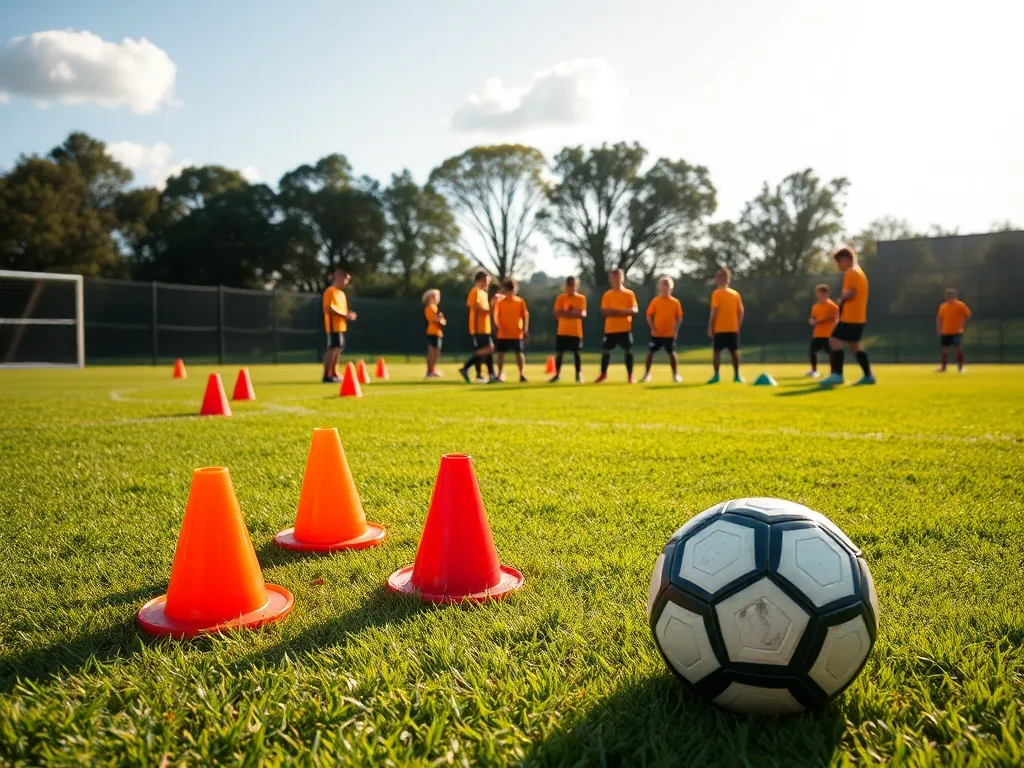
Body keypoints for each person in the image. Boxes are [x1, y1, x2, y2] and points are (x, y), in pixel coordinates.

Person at [822, 246, 874, 386]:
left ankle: (837, 375)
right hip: (859, 317)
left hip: (851, 316)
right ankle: (869, 376)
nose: (837, 266)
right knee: (854, 346)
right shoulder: (860, 272)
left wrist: (842, 299)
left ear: (845, 260)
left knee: (834, 340)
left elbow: (851, 292)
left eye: (838, 262)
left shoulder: (851, 272)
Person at [596, 268, 639, 383]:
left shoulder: (629, 294)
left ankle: (630, 376)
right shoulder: (607, 295)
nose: (616, 279)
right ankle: (603, 374)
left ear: (622, 278)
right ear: (610, 279)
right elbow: (605, 312)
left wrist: (615, 312)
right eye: (613, 277)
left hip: (625, 329)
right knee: (605, 351)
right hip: (610, 329)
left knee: (628, 351)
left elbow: (634, 310)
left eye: (618, 277)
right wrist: (623, 311)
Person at [641, 276, 684, 383]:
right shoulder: (655, 301)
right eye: (662, 285)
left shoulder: (675, 302)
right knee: (650, 353)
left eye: (667, 285)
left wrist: (675, 331)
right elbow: (649, 315)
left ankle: (675, 375)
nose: (665, 288)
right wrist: (653, 328)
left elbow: (679, 317)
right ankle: (647, 375)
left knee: (672, 353)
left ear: (671, 287)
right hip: (656, 334)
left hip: (669, 334)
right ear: (659, 287)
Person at [458, 271, 497, 383]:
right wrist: (491, 309)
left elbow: (488, 310)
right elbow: (476, 307)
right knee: (489, 349)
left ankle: (489, 375)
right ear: (480, 280)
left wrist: (493, 304)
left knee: (486, 351)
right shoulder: (475, 291)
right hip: (478, 327)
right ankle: (466, 367)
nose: (488, 284)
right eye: (487, 281)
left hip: (485, 327)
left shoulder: (484, 294)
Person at [707, 268, 744, 383]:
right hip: (733, 328)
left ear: (719, 279)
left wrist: (710, 327)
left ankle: (716, 375)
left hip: (719, 329)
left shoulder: (716, 294)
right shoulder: (736, 294)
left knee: (717, 352)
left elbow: (714, 311)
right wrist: (738, 325)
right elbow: (741, 311)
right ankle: (737, 375)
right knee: (734, 352)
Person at [321, 269, 356, 383]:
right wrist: (345, 315)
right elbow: (328, 308)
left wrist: (348, 315)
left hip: (340, 326)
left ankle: (334, 372)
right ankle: (327, 375)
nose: (346, 283)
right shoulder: (330, 291)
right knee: (332, 349)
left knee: (338, 349)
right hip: (332, 326)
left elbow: (342, 310)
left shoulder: (341, 294)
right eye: (346, 280)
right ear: (339, 278)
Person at [550, 275, 587, 383]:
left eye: (574, 285)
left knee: (576, 353)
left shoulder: (581, 298)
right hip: (563, 330)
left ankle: (578, 374)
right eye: (569, 286)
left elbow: (582, 313)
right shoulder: (561, 298)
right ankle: (557, 374)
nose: (572, 288)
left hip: (576, 331)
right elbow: (557, 313)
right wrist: (571, 313)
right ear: (566, 286)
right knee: (560, 353)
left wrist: (567, 313)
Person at [493, 279, 530, 382]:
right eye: (507, 289)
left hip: (516, 333)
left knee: (519, 354)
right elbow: (495, 315)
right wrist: (498, 325)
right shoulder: (500, 302)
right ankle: (499, 374)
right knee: (500, 354)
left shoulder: (520, 301)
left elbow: (525, 316)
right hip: (503, 333)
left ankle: (521, 374)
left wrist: (525, 329)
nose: (509, 292)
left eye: (511, 289)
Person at [806, 284, 839, 378]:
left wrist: (820, 321)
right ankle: (814, 371)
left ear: (826, 294)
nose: (818, 295)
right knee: (812, 350)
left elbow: (835, 318)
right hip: (817, 334)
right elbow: (813, 318)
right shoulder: (815, 306)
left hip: (828, 334)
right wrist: (812, 321)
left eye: (820, 293)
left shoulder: (832, 306)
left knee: (831, 353)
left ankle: (834, 372)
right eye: (817, 293)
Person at [936, 288, 972, 373]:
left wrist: (962, 327)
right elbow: (939, 317)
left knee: (959, 348)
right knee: (944, 349)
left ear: (955, 296)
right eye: (947, 295)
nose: (949, 297)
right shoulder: (943, 306)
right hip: (946, 331)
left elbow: (967, 315)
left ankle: (961, 368)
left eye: (950, 295)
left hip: (957, 332)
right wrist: (939, 328)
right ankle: (943, 368)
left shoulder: (961, 305)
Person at [423, 289, 446, 378]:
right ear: (431, 297)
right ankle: (430, 371)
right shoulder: (431, 307)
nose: (438, 298)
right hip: (433, 332)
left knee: (436, 352)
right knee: (433, 352)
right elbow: (437, 320)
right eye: (437, 296)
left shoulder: (434, 307)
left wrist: (441, 319)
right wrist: (441, 319)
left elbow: (441, 320)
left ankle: (432, 370)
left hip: (437, 332)